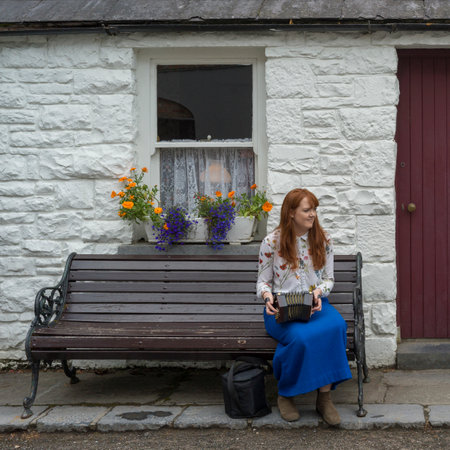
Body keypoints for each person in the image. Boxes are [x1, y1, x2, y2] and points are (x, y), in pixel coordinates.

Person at [256, 188, 352, 426]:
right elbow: (263, 282)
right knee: (300, 338)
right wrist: (268, 297)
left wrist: (319, 292)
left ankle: (324, 398)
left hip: (315, 304)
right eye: (307, 210)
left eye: (314, 210)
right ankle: (286, 394)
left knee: (337, 326)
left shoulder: (323, 239)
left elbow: (329, 279)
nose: (312, 215)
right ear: (291, 213)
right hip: (281, 308)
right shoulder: (271, 242)